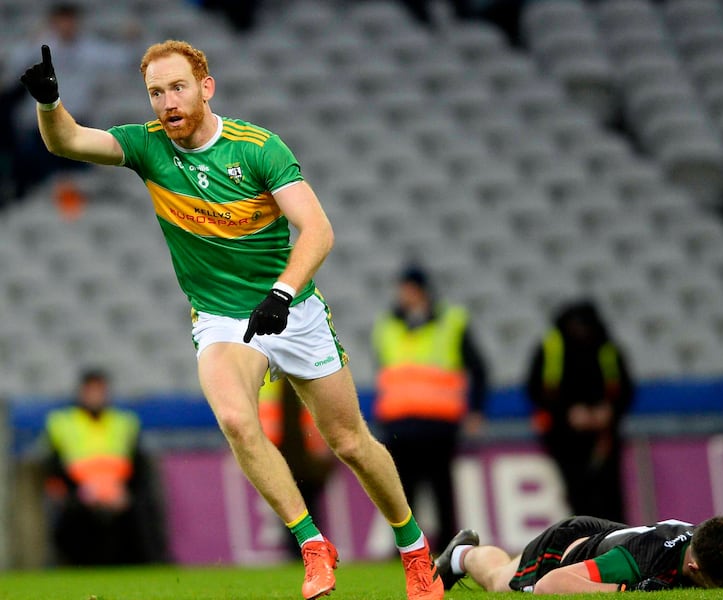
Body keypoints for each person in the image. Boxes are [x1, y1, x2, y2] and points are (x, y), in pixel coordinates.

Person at [19, 41, 443, 600]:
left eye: (177, 88)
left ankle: (415, 554)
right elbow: (69, 140)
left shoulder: (259, 147)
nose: (167, 102)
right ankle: (313, 546)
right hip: (222, 318)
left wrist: (283, 293)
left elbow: (317, 230)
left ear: (205, 87)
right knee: (238, 422)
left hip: (292, 308)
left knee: (349, 441)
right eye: (155, 92)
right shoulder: (146, 147)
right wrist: (51, 103)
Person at [372, 264, 488, 550]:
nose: (404, 295)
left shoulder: (451, 321)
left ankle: (450, 547)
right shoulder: (387, 326)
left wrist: (475, 409)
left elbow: (479, 368)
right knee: (401, 492)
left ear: (421, 290)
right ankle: (404, 547)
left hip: (438, 422)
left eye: (408, 289)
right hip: (399, 422)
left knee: (442, 491)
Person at [434, 515, 723, 594]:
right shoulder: (636, 563)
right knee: (502, 581)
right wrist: (624, 592)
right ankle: (462, 555)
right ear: (693, 566)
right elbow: (550, 585)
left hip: (606, 536)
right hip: (563, 550)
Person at [1, 2, 136, 204]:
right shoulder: (38, 47)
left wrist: (132, 39)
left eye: (70, 20)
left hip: (76, 124)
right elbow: (12, 68)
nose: (67, 26)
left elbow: (123, 59)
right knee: (33, 180)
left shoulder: (90, 49)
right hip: (41, 126)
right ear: (54, 22)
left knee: (78, 179)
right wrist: (31, 41)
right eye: (62, 20)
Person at [41, 368, 168, 565]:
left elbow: (138, 465)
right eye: (91, 390)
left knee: (143, 510)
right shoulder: (61, 423)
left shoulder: (124, 422)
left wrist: (125, 492)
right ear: (81, 393)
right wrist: (77, 492)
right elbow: (52, 467)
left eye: (99, 390)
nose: (95, 396)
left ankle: (151, 563)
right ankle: (70, 564)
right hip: (80, 493)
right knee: (70, 518)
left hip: (118, 492)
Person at [524, 299, 634, 522]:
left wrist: (608, 412)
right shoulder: (550, 348)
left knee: (610, 492)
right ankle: (585, 541)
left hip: (603, 436)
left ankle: (621, 541)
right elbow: (535, 389)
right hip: (564, 436)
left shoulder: (607, 349)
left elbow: (626, 389)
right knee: (578, 492)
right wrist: (567, 414)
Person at [258, 377, 334, 559]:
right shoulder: (303, 373)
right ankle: (307, 550)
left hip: (297, 453)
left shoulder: (267, 376)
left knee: (299, 504)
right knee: (301, 505)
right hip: (287, 452)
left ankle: (305, 550)